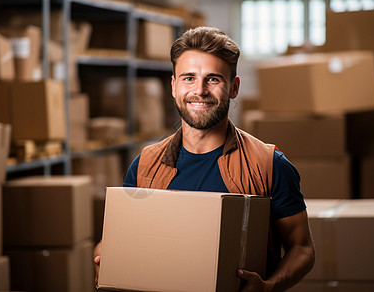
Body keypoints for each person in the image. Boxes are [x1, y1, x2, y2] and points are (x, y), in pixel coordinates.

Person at [93, 26, 315, 291]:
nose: (200, 90)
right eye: (188, 78)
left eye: (213, 79)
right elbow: (117, 238)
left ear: (233, 88)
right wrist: (103, 257)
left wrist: (268, 287)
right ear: (174, 87)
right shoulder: (145, 165)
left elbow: (302, 247)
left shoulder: (268, 164)